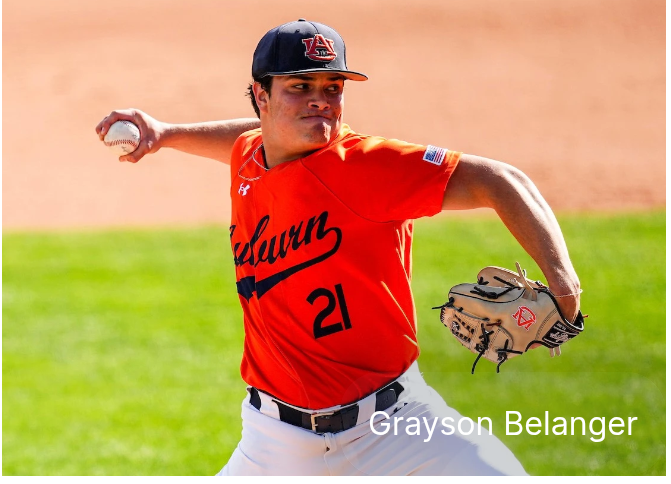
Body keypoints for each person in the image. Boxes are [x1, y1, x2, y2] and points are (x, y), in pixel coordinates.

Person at [96, 19, 581, 476]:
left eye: (332, 88)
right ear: (261, 98)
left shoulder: (368, 167)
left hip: (399, 427)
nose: (320, 102)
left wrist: (565, 288)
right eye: (300, 88)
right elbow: (247, 138)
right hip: (275, 444)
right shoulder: (250, 156)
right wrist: (166, 134)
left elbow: (500, 179)